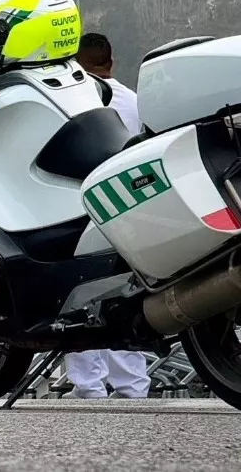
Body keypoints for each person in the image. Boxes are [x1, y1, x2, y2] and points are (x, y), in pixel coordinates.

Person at [63, 31, 151, 400]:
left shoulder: (71, 103)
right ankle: (133, 386)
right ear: (111, 63)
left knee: (79, 293)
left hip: (81, 210)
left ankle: (88, 386)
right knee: (125, 295)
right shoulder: (135, 101)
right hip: (130, 212)